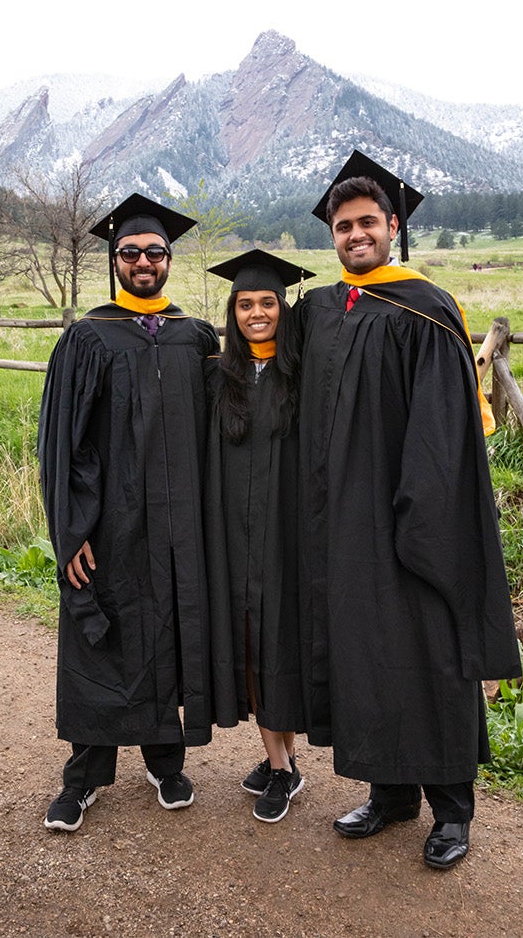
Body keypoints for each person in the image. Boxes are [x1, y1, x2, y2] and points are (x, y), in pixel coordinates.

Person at [284, 150, 514, 870]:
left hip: (412, 522)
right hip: (341, 525)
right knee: (366, 655)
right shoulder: (321, 310)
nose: (354, 235)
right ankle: (390, 795)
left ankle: (452, 811)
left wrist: (422, 522)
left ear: (393, 226)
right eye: (342, 226)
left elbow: (444, 433)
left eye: (366, 223)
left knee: (428, 654)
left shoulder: (425, 308)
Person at [38, 193, 234, 831]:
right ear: (114, 260)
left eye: (155, 252)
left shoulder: (195, 336)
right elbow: (61, 445)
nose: (143, 261)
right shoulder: (87, 339)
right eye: (130, 253)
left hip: (182, 528)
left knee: (173, 634)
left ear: (170, 261)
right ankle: (86, 776)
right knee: (106, 643)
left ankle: (165, 759)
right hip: (112, 526)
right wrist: (72, 533)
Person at [207, 248, 323, 824]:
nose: (257, 313)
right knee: (249, 642)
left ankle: (283, 768)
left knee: (276, 640)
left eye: (268, 302)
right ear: (233, 311)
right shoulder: (220, 376)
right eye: (245, 304)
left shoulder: (302, 375)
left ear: (283, 307)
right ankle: (280, 759)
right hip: (234, 535)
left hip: (284, 537)